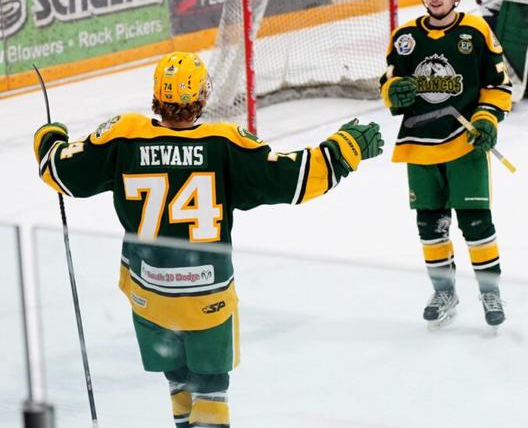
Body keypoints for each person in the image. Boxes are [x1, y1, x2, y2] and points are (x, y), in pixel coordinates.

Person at [33, 52, 383, 428]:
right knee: (210, 385)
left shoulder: (125, 136)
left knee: (178, 377)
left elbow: (60, 171)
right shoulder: (224, 143)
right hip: (207, 296)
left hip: (150, 296)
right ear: (201, 96)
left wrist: (49, 138)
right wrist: (342, 150)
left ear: (157, 95)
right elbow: (290, 179)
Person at [379, 0, 513, 328]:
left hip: (465, 143)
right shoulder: (405, 37)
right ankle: (444, 292)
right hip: (419, 144)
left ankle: (490, 292)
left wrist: (487, 118)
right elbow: (388, 80)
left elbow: (498, 84)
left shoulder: (476, 30)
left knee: (476, 223)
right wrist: (394, 91)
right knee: (430, 225)